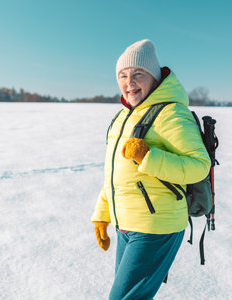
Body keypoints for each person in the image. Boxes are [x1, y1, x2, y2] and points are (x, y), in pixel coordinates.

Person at [91, 39, 211, 300]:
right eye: (122, 75)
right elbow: (116, 175)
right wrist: (102, 213)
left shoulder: (171, 114)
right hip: (127, 223)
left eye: (138, 74)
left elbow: (199, 166)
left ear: (154, 78)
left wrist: (148, 157)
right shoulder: (123, 116)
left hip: (157, 225)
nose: (129, 82)